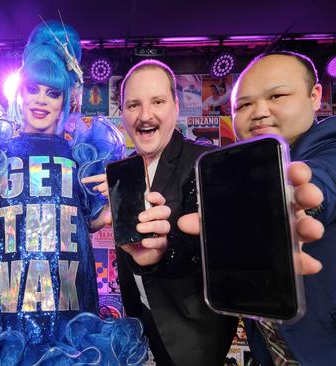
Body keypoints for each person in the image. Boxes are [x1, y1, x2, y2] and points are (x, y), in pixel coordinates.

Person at [0, 20, 147, 365]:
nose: (41, 100)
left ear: (66, 99)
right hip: (6, 309)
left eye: (53, 92)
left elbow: (91, 222)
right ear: (21, 92)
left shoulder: (83, 153)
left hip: (71, 309)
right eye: (33, 89)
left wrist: (126, 196)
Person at [227, 50, 336, 365]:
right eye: (244, 104)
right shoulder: (240, 178)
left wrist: (297, 195)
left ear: (314, 96)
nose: (259, 112)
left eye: (277, 95)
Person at [84, 59, 239, 365]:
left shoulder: (205, 161)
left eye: (157, 101)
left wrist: (162, 249)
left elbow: (208, 245)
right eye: (133, 105)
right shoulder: (121, 169)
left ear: (175, 106)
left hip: (193, 331)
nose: (145, 115)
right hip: (141, 319)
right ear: (123, 113)